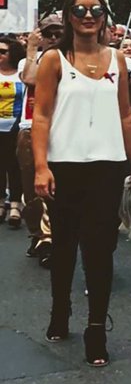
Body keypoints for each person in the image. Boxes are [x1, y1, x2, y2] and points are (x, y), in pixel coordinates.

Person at [33, 0, 131, 366]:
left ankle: (96, 328)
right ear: (69, 16)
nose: (88, 16)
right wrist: (41, 166)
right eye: (80, 10)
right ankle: (60, 308)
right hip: (63, 166)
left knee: (100, 249)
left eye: (96, 10)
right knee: (64, 247)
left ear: (104, 17)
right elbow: (42, 115)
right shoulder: (54, 59)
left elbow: (126, 115)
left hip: (107, 167)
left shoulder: (118, 59)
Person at [18, 15, 63, 265]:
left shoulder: (67, 60)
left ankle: (49, 238)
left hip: (57, 128)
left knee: (52, 185)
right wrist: (32, 49)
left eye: (58, 34)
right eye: (48, 34)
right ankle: (37, 234)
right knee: (30, 188)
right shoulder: (30, 59)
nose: (54, 38)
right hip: (29, 128)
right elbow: (30, 78)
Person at [0, 36, 28, 228]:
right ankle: (1, 201)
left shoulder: (22, 74)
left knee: (15, 165)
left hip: (16, 127)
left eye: (3, 51)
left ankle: (16, 203)